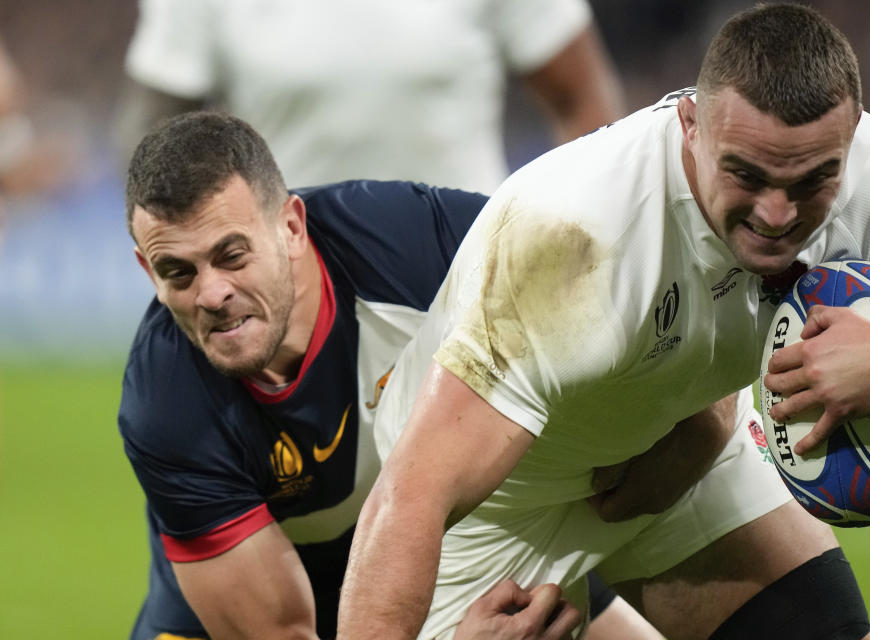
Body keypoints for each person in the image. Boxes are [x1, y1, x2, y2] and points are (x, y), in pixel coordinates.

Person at [337, 4, 870, 640]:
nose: (777, 213)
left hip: (675, 445)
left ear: (852, 134)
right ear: (690, 123)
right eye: (746, 175)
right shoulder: (572, 236)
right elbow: (412, 499)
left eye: (811, 179)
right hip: (494, 514)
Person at [119, 111, 662, 640]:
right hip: (241, 612)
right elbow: (282, 631)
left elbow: (606, 266)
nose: (211, 294)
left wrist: (696, 418)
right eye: (179, 273)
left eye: (232, 256)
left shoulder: (409, 244)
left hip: (450, 548)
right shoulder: (166, 404)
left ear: (290, 227)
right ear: (148, 269)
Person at [114, 0, 625, 193]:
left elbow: (583, 102)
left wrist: (590, 238)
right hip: (289, 306)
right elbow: (150, 140)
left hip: (468, 297)